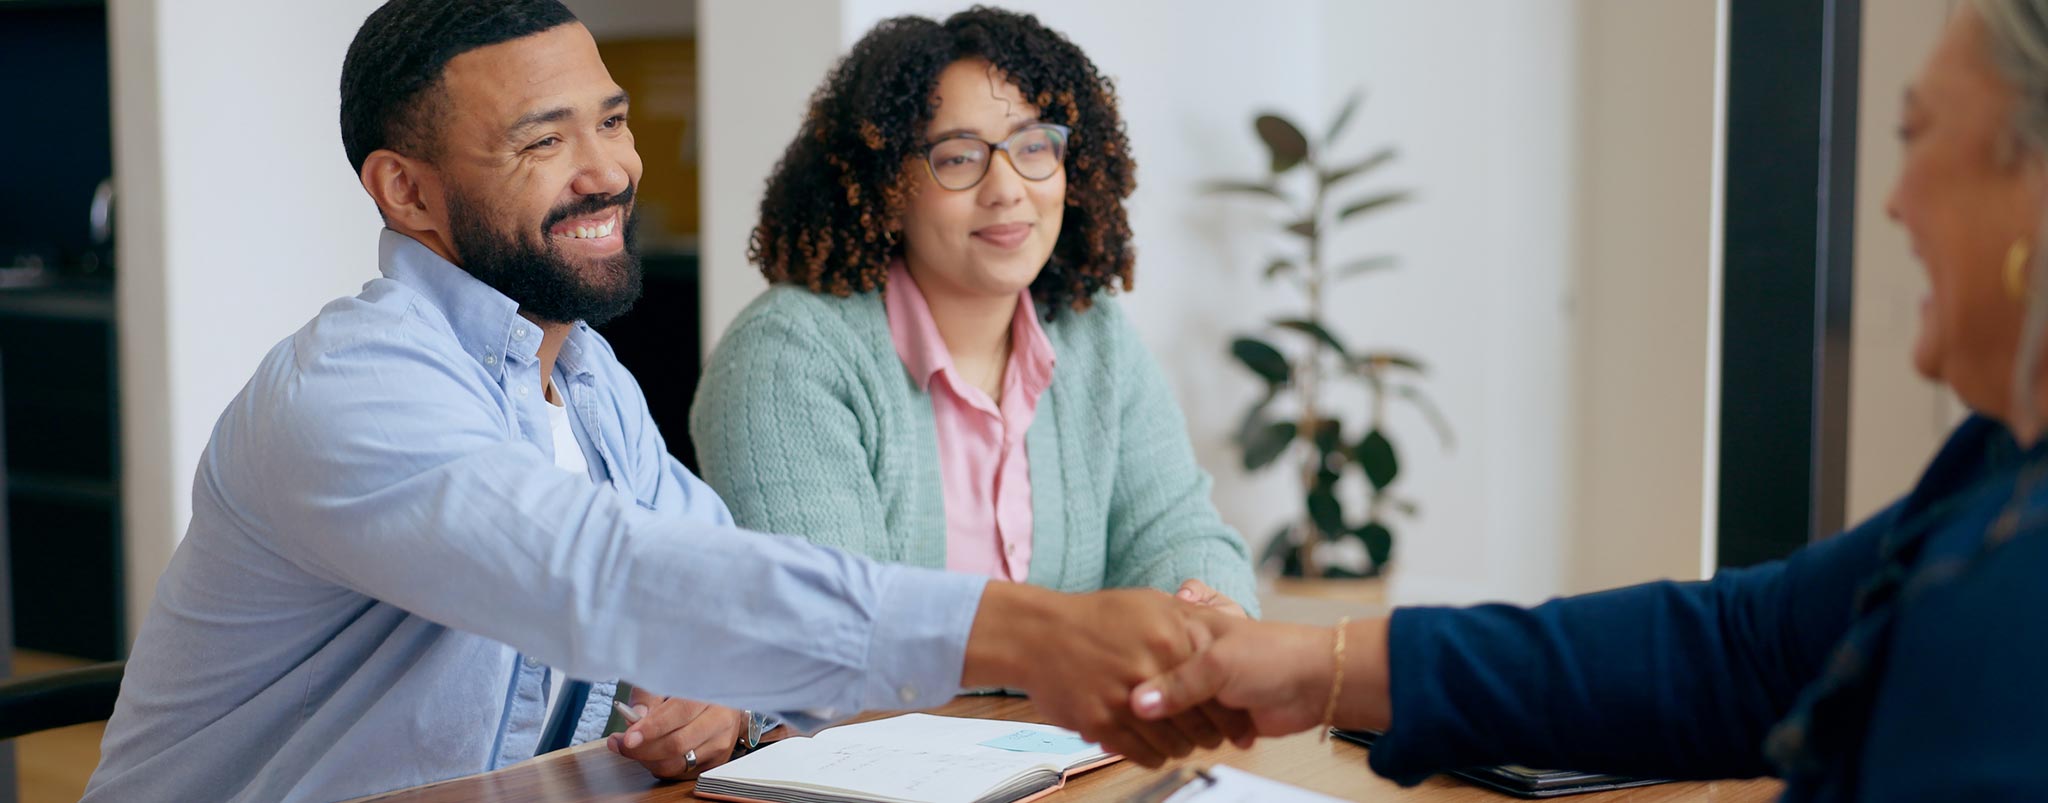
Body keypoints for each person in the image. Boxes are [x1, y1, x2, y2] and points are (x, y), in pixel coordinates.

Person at [81, 3, 1240, 801]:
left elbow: (727, 584)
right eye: (546, 138)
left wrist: (734, 702)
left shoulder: (587, 380)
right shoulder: (350, 391)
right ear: (408, 190)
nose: (610, 169)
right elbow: (608, 576)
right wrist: (1031, 627)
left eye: (613, 119)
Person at [1130, 3, 2048, 800]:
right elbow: (1744, 649)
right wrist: (1312, 665)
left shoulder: (2008, 598)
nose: (1890, 201)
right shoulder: (1992, 466)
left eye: (1918, 132)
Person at [689, 7, 1258, 619]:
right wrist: (1090, 645)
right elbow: (833, 632)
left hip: (1069, 718)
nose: (1008, 187)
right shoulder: (785, 357)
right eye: (959, 156)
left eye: (1034, 145)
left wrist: (1204, 612)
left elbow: (1178, 531)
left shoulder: (1095, 334)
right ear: (885, 185)